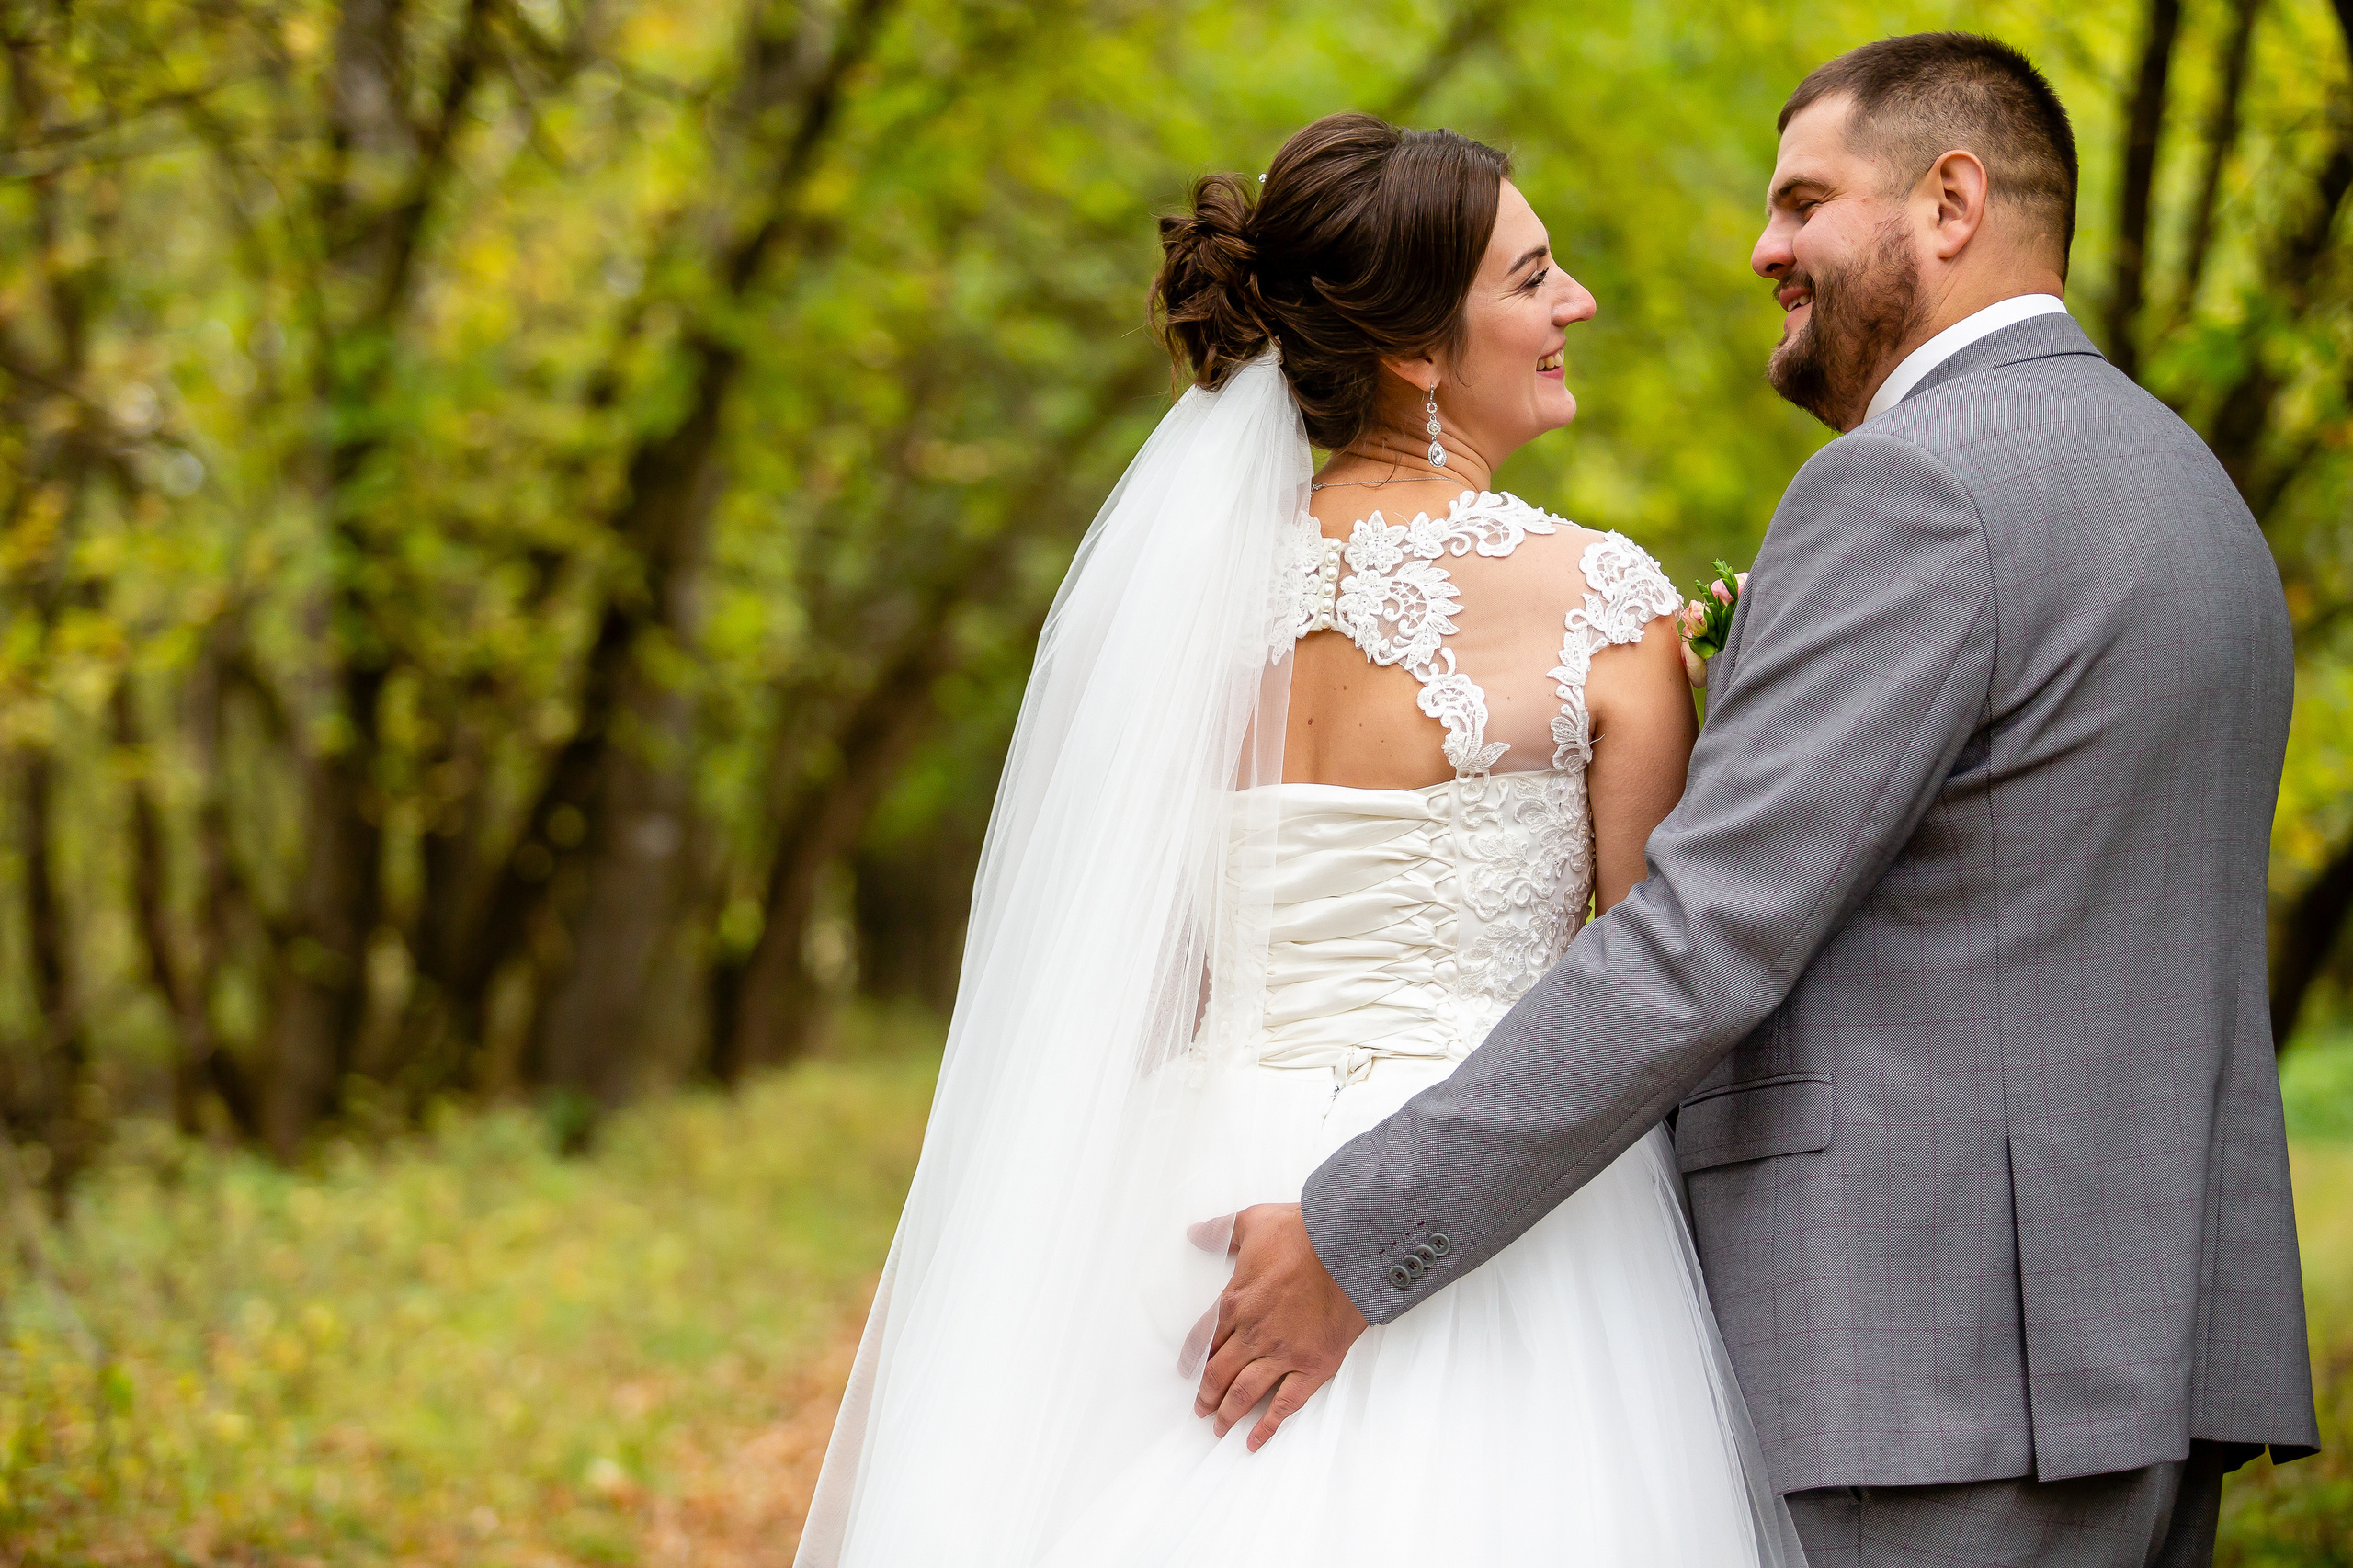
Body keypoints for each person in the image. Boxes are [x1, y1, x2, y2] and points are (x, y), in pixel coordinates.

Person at [1198, 33, 2319, 1568]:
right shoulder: (2189, 492)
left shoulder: (1911, 485)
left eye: (1802, 202)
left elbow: (1699, 940)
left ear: (1949, 200)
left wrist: (1356, 1229)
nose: (1762, 247)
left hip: (1920, 1372)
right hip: (2153, 1350)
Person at [794, 112, 1802, 1565]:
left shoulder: (1178, 609)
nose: (1576, 300)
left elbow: (1134, 968)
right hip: (1497, 1209)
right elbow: (1662, 984)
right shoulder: (1602, 598)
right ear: (1416, 350)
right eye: (1532, 279)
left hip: (1184, 1184)